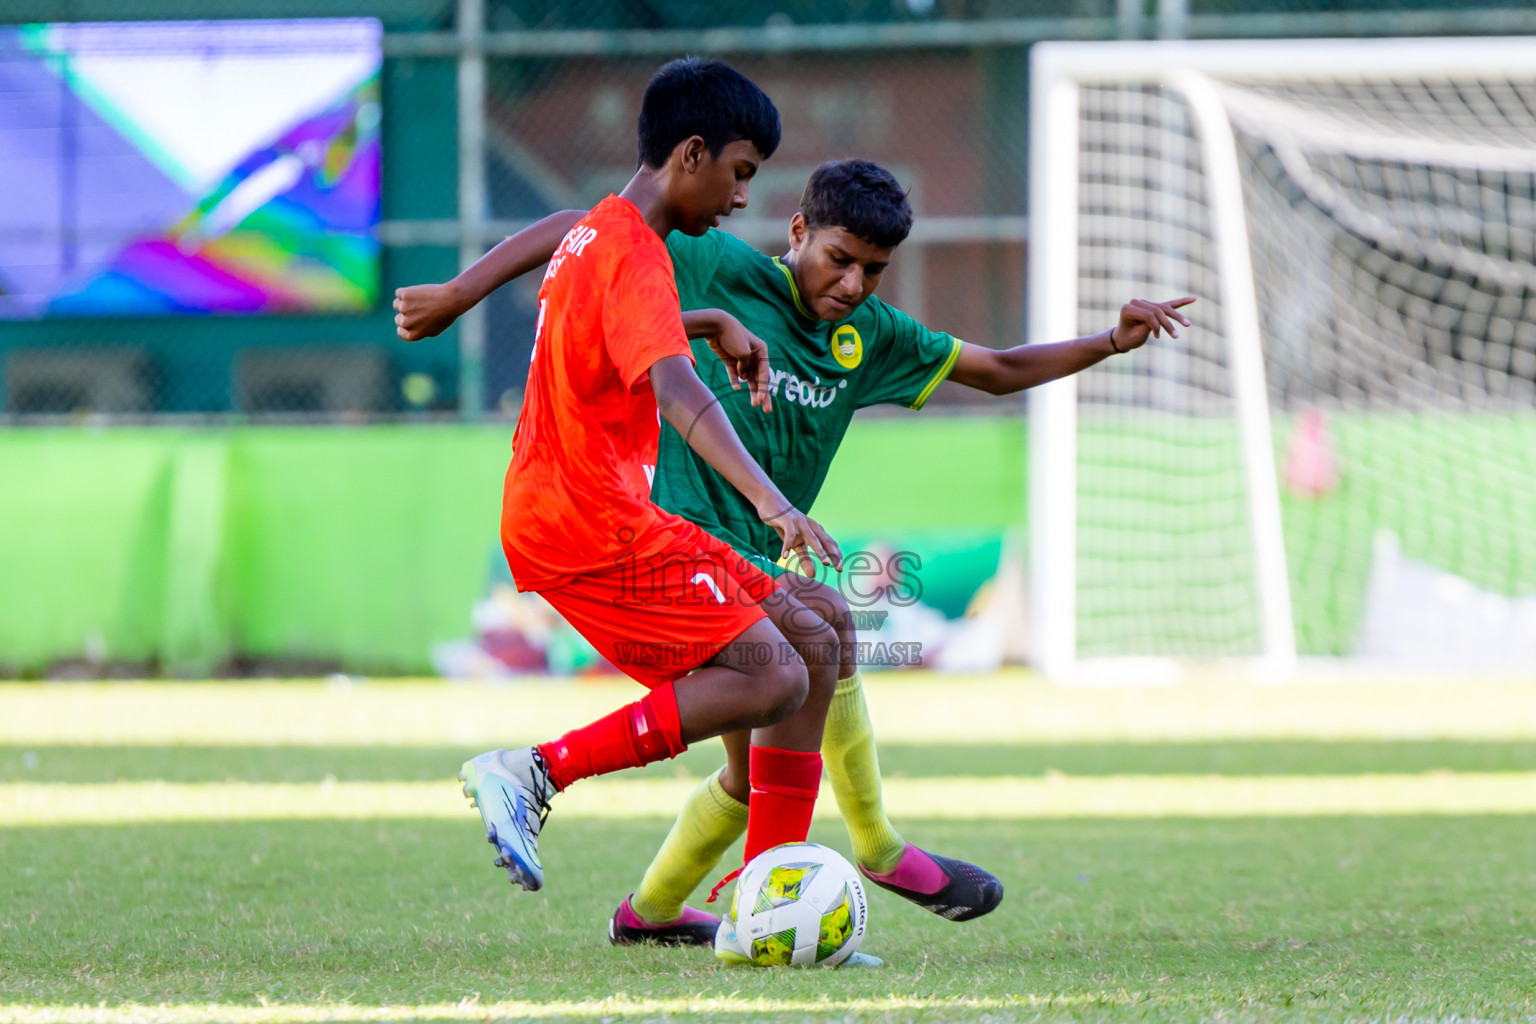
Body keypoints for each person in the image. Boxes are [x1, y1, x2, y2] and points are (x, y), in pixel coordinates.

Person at [399, 158, 1193, 946]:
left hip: (752, 549)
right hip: (664, 537)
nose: (851, 284)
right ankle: (854, 853)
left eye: (873, 271)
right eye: (839, 260)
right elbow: (586, 233)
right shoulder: (721, 262)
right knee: (790, 669)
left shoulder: (870, 336)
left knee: (797, 682)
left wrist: (1108, 343)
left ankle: (664, 913)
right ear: (799, 231)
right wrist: (461, 292)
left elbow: (998, 369)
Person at [458, 58, 853, 928]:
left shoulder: (602, 231)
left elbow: (608, 302)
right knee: (771, 673)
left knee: (817, 635)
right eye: (741, 173)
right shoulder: (636, 251)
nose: (742, 198)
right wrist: (771, 502)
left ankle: (765, 908)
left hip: (596, 511)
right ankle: (532, 770)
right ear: (692, 153)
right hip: (585, 524)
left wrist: (712, 323)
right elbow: (678, 394)